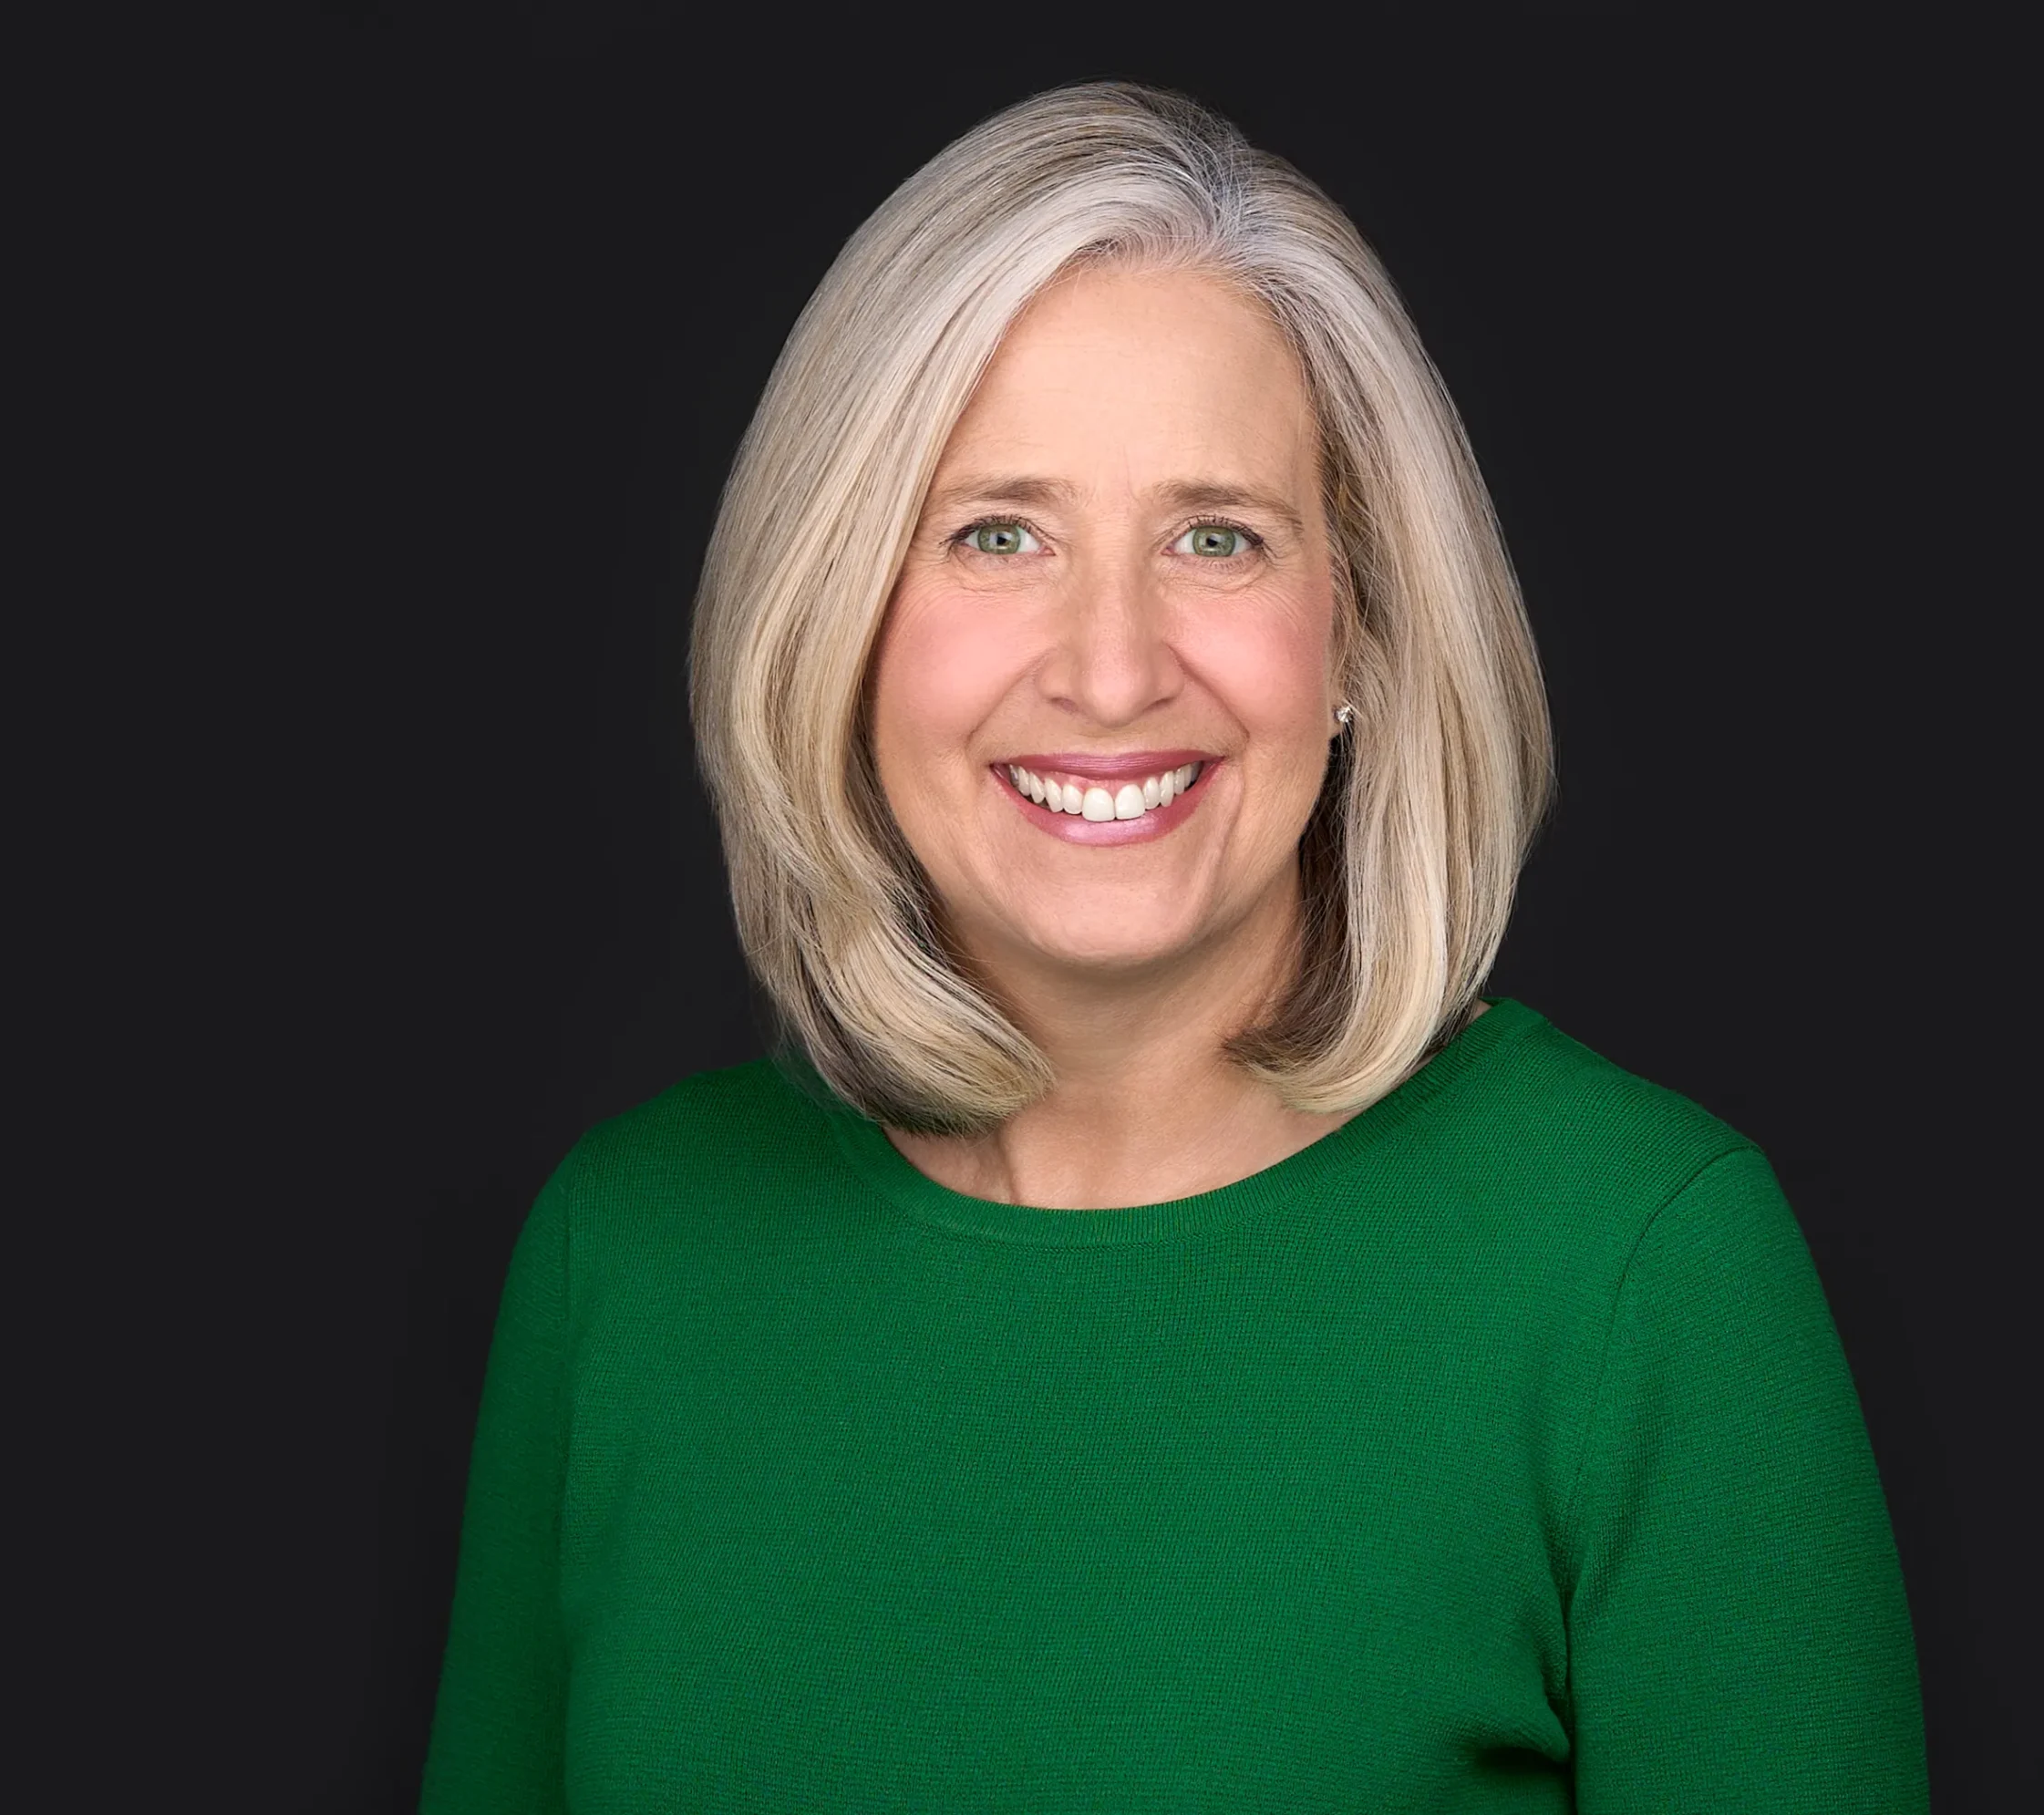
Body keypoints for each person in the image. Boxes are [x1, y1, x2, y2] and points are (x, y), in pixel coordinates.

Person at [420, 81, 1925, 1812]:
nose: (1113, 666)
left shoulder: (1639, 1273)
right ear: (834, 614)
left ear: (1357, 624)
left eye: (1218, 536)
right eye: (999, 533)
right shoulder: (630, 1257)